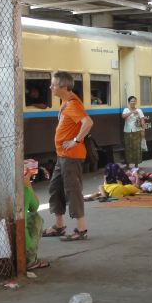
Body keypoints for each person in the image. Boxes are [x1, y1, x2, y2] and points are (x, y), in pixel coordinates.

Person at [43, 71, 93, 242]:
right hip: (62, 155)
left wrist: (76, 141)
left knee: (72, 190)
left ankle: (81, 228)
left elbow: (88, 122)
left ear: (63, 87)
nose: (51, 87)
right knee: (55, 188)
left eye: (54, 84)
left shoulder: (72, 104)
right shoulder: (65, 101)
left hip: (71, 156)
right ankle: (59, 225)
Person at [0, 160, 50, 270]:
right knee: (35, 217)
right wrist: (28, 184)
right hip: (21, 249)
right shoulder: (24, 192)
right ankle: (30, 260)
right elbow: (35, 207)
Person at [122, 95, 146, 169]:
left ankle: (136, 165)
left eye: (134, 101)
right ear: (129, 102)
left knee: (137, 148)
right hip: (127, 131)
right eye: (131, 101)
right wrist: (132, 112)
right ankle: (128, 164)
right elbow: (123, 116)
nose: (133, 102)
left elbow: (142, 120)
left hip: (137, 131)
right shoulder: (126, 109)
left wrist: (143, 130)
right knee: (128, 147)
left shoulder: (139, 110)